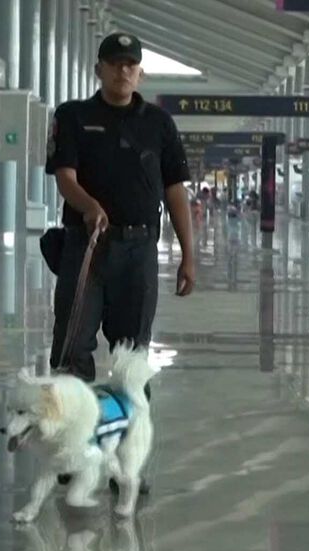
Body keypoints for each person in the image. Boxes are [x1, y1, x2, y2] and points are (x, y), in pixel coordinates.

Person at [45, 32, 195, 383]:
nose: (123, 71)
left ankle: (130, 417)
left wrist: (188, 255)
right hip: (86, 245)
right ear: (99, 69)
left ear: (140, 73)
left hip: (138, 250)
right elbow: (65, 177)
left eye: (130, 65)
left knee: (133, 353)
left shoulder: (159, 124)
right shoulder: (73, 116)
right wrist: (89, 205)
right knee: (72, 346)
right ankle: (74, 415)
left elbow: (175, 190)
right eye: (115, 64)